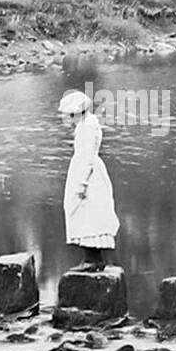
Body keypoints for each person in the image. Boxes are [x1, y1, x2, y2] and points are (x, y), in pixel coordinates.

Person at [58, 90, 119, 271]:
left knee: (85, 211)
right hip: (87, 171)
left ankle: (92, 259)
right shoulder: (88, 123)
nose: (65, 119)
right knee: (86, 213)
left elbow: (87, 158)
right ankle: (93, 258)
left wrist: (82, 184)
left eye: (67, 115)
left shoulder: (86, 127)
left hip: (88, 175)